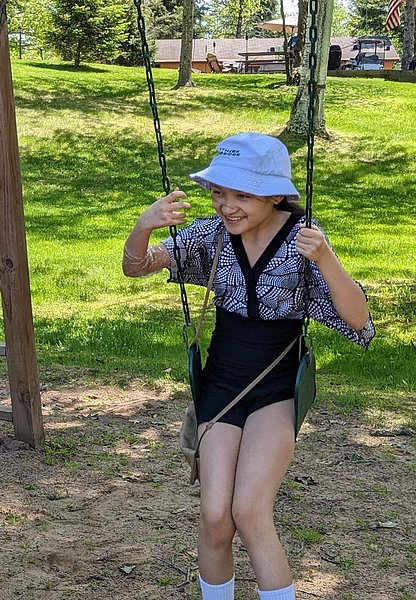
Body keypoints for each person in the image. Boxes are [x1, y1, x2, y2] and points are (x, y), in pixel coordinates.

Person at [122, 132, 374, 600]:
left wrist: (327, 258)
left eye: (242, 194)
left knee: (251, 511)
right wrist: (145, 226)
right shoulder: (210, 235)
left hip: (275, 383)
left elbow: (358, 319)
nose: (227, 205)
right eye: (220, 192)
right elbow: (137, 266)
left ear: (276, 195)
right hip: (222, 383)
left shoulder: (303, 238)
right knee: (216, 514)